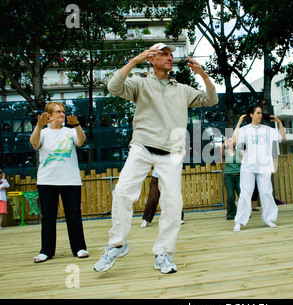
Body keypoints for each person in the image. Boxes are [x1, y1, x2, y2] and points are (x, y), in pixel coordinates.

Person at [94, 43, 218, 274]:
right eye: (164, 54)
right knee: (122, 192)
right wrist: (133, 62)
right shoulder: (140, 83)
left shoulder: (182, 89)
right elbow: (113, 86)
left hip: (171, 152)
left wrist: (203, 75)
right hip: (142, 146)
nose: (170, 58)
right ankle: (117, 245)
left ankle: (163, 253)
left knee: (173, 204)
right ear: (152, 59)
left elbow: (211, 100)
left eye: (171, 54)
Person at [29, 101, 89, 262]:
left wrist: (77, 125)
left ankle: (80, 248)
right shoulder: (43, 132)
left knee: (74, 215)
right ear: (49, 115)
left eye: (63, 111)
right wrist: (39, 126)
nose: (62, 114)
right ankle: (46, 251)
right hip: (47, 180)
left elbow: (81, 141)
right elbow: (34, 144)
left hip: (70, 180)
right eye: (57, 112)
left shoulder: (69, 132)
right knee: (48, 216)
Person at [232, 105, 286, 231]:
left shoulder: (267, 130)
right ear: (251, 115)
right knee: (245, 194)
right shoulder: (245, 130)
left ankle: (269, 219)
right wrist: (239, 123)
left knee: (266, 192)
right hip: (248, 166)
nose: (260, 115)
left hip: (264, 166)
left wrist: (279, 123)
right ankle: (239, 222)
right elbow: (234, 141)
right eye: (258, 113)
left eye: (261, 113)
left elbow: (282, 137)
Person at [221, 137, 242, 220]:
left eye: (231, 140)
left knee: (242, 194)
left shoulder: (239, 152)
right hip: (229, 176)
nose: (230, 142)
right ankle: (231, 214)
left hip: (239, 175)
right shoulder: (225, 152)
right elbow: (221, 154)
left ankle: (244, 213)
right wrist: (223, 145)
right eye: (228, 141)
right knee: (230, 196)